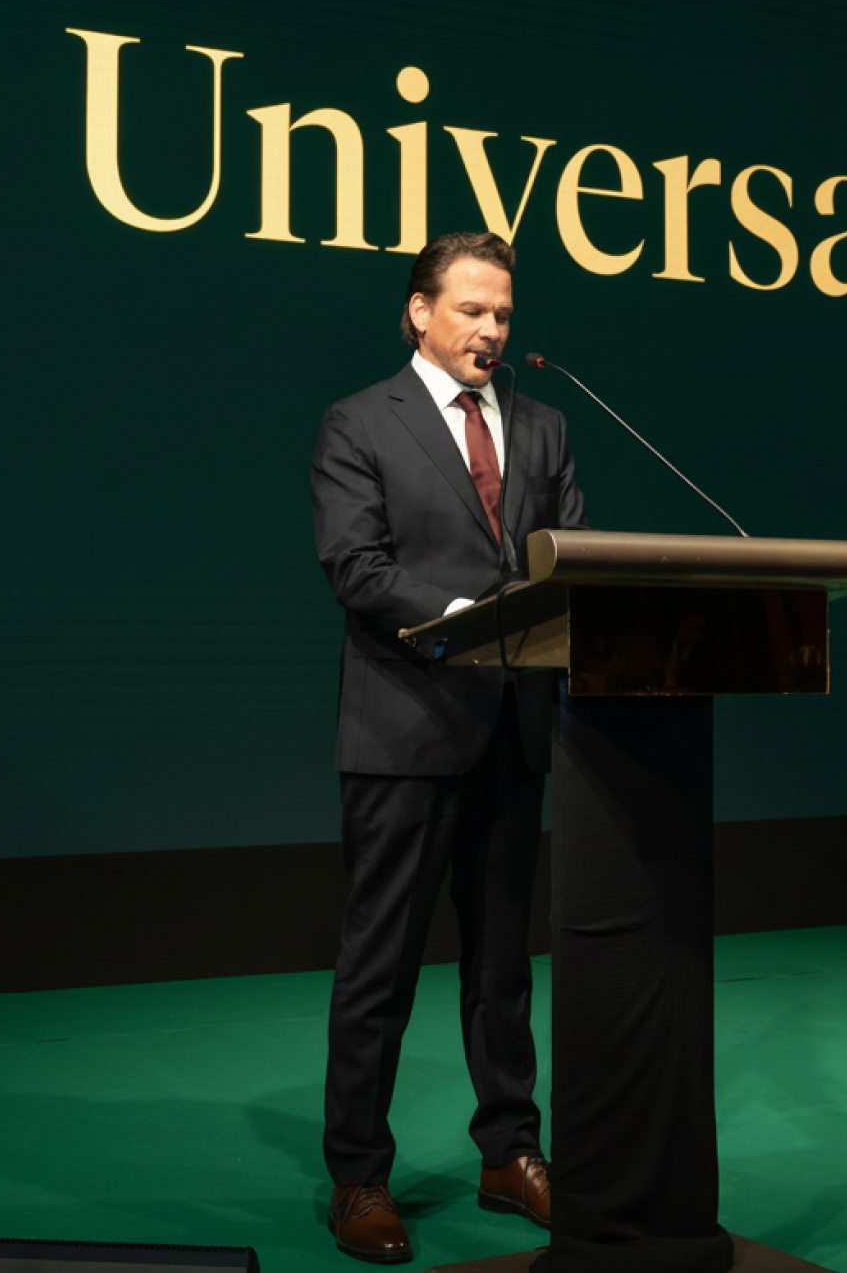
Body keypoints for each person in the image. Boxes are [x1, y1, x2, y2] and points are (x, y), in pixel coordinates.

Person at [310, 231, 589, 1264]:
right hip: (405, 728)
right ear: (419, 312)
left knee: (503, 964)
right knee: (379, 964)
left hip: (514, 731)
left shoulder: (545, 426)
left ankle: (510, 1152)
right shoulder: (358, 421)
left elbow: (570, 558)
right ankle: (358, 1176)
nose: (491, 330)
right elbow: (355, 565)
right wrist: (463, 617)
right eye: (472, 309)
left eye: (503, 314)